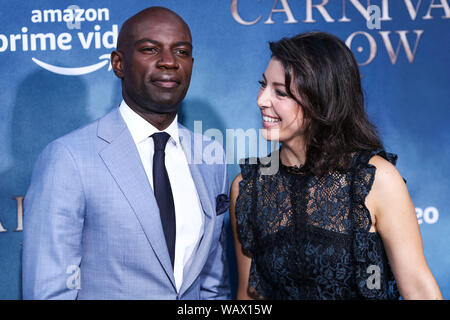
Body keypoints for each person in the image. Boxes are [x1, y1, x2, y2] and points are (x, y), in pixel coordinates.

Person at [22, 7, 230, 300]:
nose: (169, 62)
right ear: (119, 63)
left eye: (181, 51)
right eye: (150, 49)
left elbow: (213, 283)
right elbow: (50, 290)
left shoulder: (210, 157)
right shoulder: (69, 158)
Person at [230, 31, 442, 300]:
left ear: (321, 99)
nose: (261, 100)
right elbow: (249, 297)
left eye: (280, 92)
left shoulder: (374, 180)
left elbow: (420, 291)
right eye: (263, 85)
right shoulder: (248, 188)